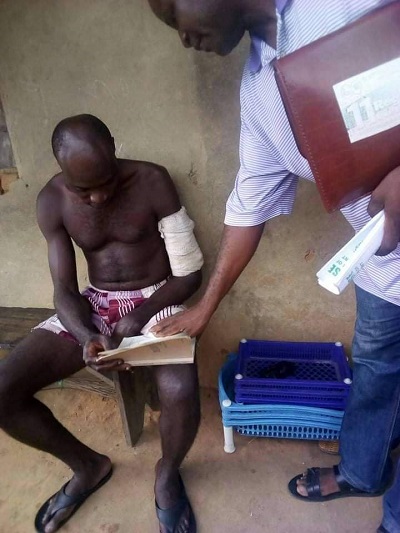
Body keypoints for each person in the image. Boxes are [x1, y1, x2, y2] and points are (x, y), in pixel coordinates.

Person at [147, 1, 400, 532]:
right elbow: (251, 203)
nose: (183, 38)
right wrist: (204, 308)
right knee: (377, 369)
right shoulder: (260, 91)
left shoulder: (344, 5)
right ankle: (362, 471)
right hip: (381, 265)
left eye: (174, 13)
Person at [0, 114, 203, 533]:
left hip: (157, 299)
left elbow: (189, 274)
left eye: (106, 182)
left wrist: (138, 317)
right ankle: (87, 466)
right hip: (93, 304)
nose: (97, 197)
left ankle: (167, 473)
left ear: (113, 145)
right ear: (61, 170)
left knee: (180, 390)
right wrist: (85, 335)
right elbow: (63, 289)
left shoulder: (152, 180)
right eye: (83, 190)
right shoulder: (51, 200)